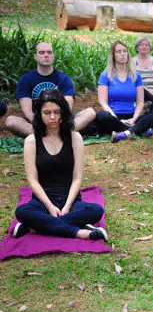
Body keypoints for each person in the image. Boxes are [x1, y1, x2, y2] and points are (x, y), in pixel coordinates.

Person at [13, 89, 107, 241]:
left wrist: (67, 207)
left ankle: (36, 227)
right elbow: (32, 180)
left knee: (96, 210)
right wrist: (50, 207)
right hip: (42, 202)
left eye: (57, 112)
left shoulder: (75, 138)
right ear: (39, 114)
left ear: (63, 112)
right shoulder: (31, 141)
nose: (52, 117)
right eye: (47, 112)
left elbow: (77, 178)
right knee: (22, 212)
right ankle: (80, 232)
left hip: (70, 199)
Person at [5, 42, 96, 138]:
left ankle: (49, 135)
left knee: (90, 112)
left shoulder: (64, 78)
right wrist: (40, 124)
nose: (46, 55)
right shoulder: (25, 80)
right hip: (37, 122)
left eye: (49, 52)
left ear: (53, 56)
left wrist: (57, 122)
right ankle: (54, 135)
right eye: (41, 52)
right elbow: (28, 112)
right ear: (35, 56)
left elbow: (67, 107)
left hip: (61, 121)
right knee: (11, 121)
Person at [95, 40, 153, 143]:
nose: (123, 54)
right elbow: (103, 102)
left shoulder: (136, 76)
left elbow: (140, 102)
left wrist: (134, 119)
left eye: (125, 51)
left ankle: (126, 132)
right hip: (113, 117)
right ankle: (137, 129)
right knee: (101, 116)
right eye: (118, 51)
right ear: (113, 55)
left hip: (132, 117)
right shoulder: (105, 75)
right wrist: (118, 120)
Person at [132, 36, 153, 107]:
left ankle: (152, 103)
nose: (144, 47)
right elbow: (134, 81)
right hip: (143, 91)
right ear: (137, 48)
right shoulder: (132, 62)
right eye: (141, 45)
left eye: (146, 45)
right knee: (141, 89)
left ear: (150, 48)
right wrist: (151, 93)